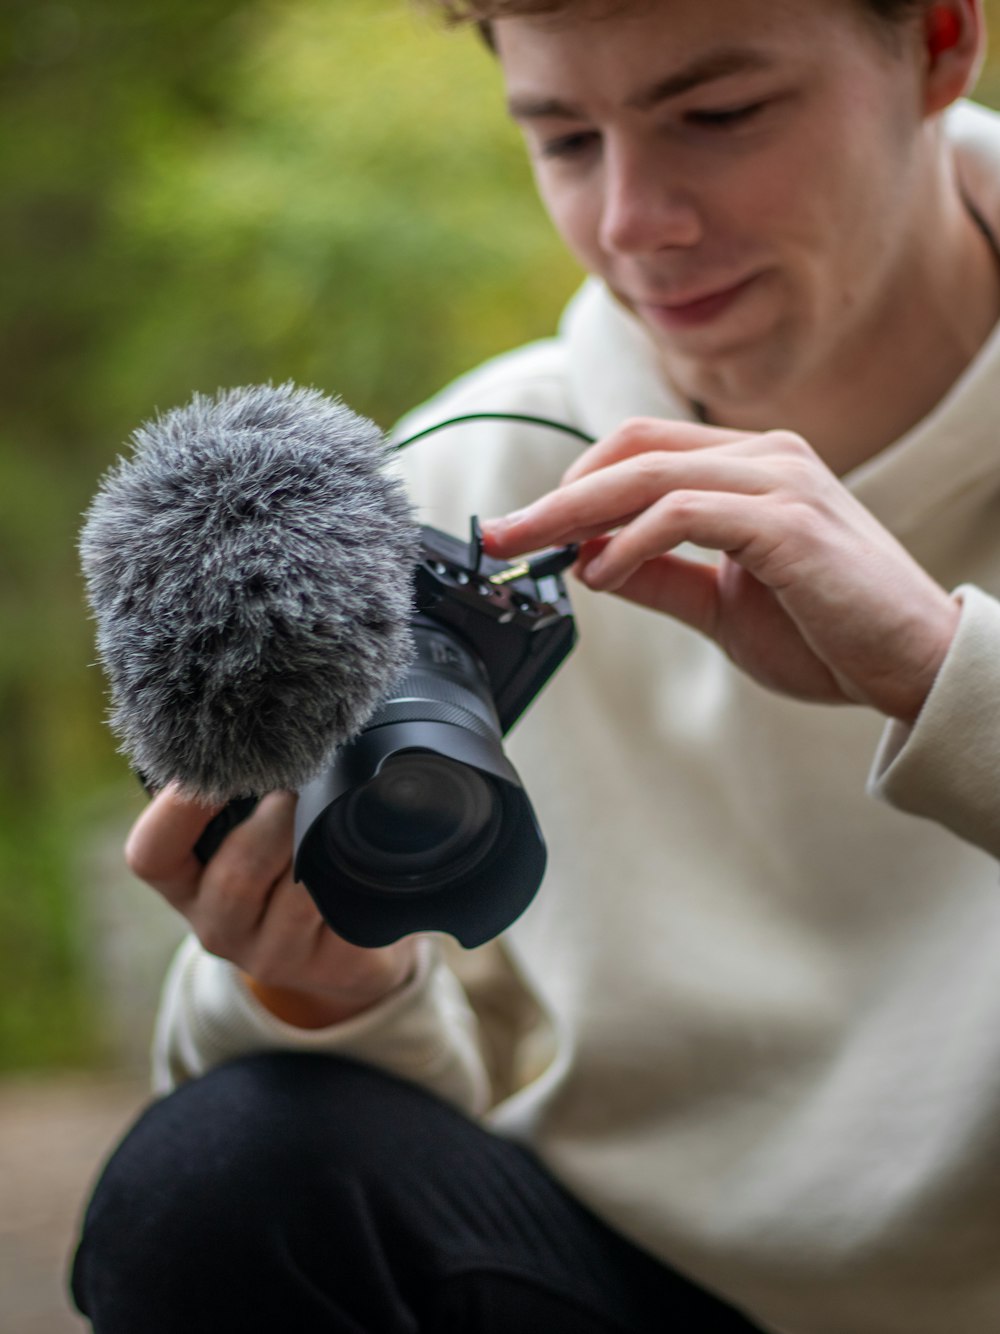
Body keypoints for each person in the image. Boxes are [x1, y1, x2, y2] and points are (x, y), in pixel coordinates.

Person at [72, 1, 1000, 1330]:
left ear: (941, 42)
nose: (633, 221)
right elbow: (331, 1157)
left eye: (719, 116)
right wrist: (328, 987)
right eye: (565, 139)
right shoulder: (466, 484)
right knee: (226, 1168)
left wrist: (937, 670)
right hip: (619, 1281)